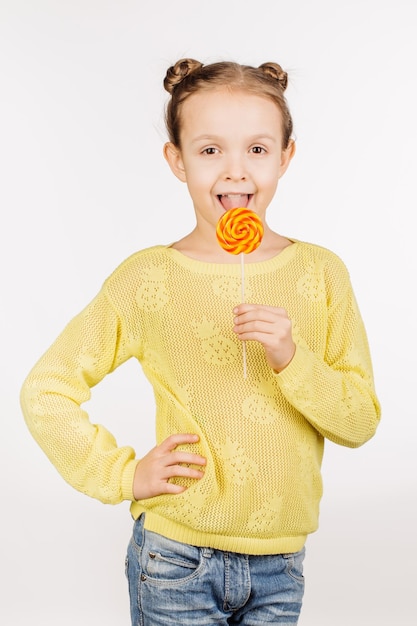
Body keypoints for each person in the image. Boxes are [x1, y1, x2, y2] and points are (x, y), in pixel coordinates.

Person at [20, 57, 381, 625]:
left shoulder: (322, 273)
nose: (235, 172)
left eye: (257, 150)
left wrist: (291, 357)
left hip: (281, 563)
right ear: (177, 160)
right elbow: (46, 389)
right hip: (174, 557)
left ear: (286, 157)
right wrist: (123, 474)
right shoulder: (148, 277)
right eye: (210, 150)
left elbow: (359, 422)